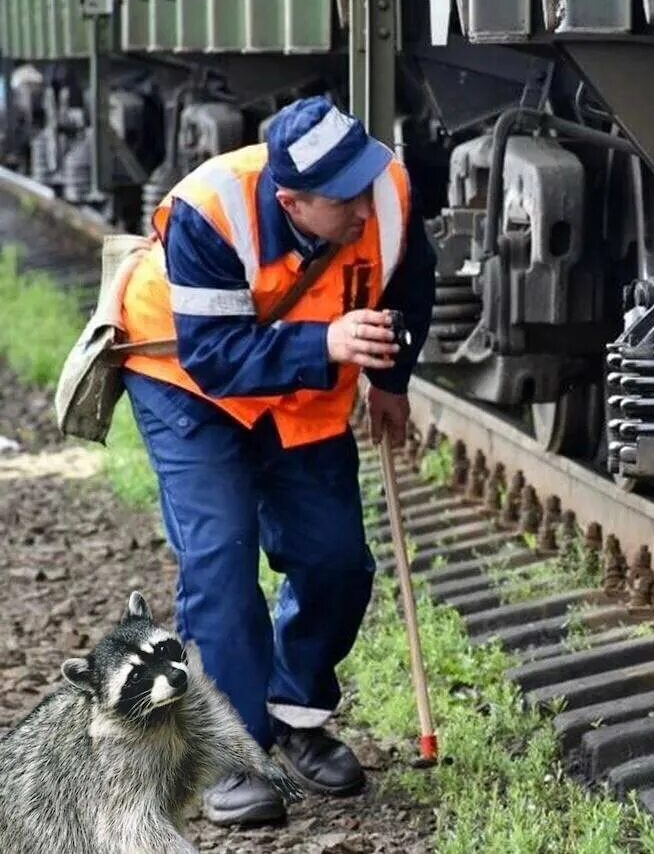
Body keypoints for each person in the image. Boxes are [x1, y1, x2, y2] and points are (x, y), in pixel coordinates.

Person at [116, 95, 436, 826]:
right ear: (291, 200)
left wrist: (389, 382)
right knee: (223, 560)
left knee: (336, 560)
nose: (364, 206)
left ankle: (295, 713)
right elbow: (215, 358)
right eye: (343, 197)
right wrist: (326, 345)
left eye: (366, 181)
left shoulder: (385, 192)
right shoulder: (209, 210)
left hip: (298, 389)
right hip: (188, 385)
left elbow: (411, 284)